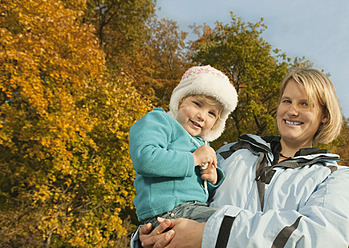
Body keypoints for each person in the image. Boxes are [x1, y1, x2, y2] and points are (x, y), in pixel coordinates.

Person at [136, 67, 349, 248]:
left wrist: (208, 234)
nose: (292, 110)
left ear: (324, 116)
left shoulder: (334, 178)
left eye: (305, 104)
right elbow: (176, 200)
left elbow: (323, 238)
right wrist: (146, 236)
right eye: (287, 101)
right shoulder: (231, 154)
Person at [129, 65, 238, 231]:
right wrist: (194, 159)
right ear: (180, 100)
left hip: (193, 209)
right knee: (230, 226)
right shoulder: (160, 120)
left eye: (211, 113)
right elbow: (145, 158)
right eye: (197, 104)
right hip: (168, 211)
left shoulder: (201, 143)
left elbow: (195, 185)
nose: (202, 116)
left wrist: (213, 178)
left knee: (236, 224)